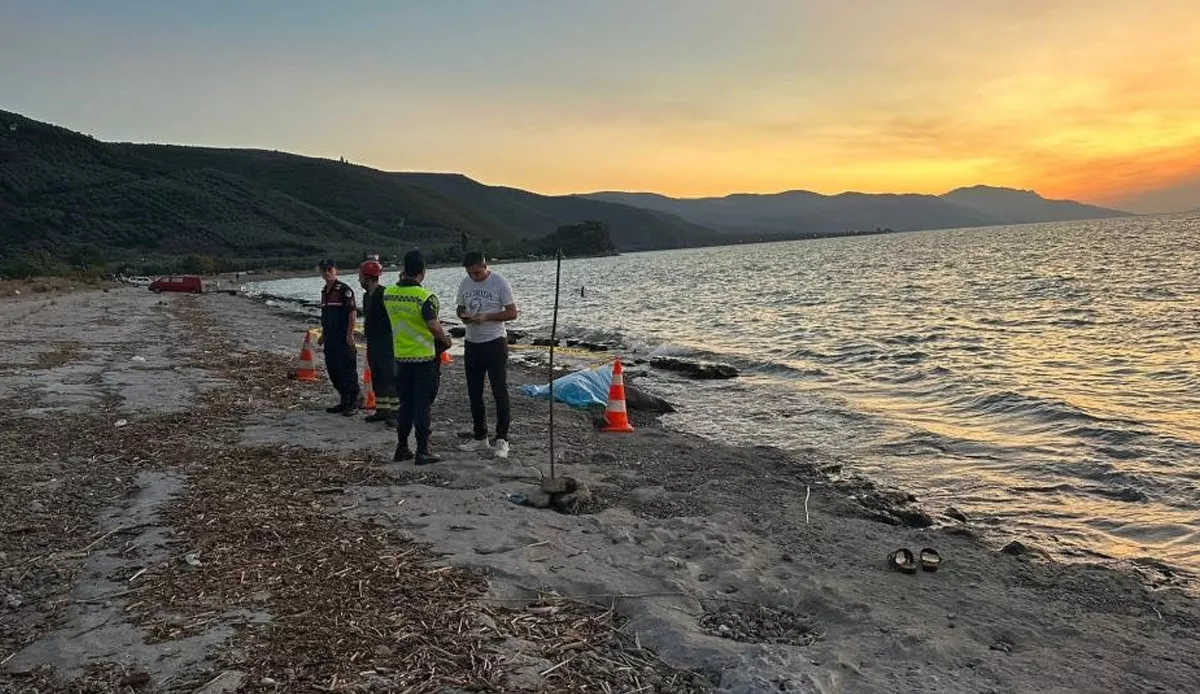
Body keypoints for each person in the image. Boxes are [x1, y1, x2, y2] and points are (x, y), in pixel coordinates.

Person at [383, 250, 452, 464]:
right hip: (424, 357)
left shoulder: (389, 294)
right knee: (423, 405)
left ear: (404, 269)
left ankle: (402, 447)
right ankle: (423, 450)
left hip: (401, 356)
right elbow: (433, 325)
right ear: (423, 272)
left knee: (406, 404)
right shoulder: (425, 297)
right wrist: (447, 340)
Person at [456, 251, 518, 459]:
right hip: (472, 342)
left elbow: (512, 312)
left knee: (499, 391)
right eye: (470, 273)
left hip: (494, 342)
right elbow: (459, 307)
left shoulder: (499, 282)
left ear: (485, 266)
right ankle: (480, 436)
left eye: (477, 272)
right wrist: (464, 317)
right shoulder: (465, 283)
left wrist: (488, 317)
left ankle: (502, 439)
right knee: (474, 393)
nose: (474, 277)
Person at [317, 258, 360, 415]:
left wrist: (350, 333)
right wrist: (323, 334)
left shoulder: (344, 290)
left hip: (343, 336)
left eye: (330, 269)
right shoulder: (324, 292)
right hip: (330, 337)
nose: (327, 273)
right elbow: (326, 315)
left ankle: (353, 402)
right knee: (333, 369)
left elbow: (352, 312)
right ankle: (344, 400)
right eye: (324, 270)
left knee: (347, 369)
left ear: (335, 270)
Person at [358, 259, 397, 425]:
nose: (359, 280)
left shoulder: (385, 295)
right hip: (373, 341)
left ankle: (396, 413)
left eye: (360, 276)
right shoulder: (367, 296)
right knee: (377, 376)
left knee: (390, 377)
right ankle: (382, 410)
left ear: (367, 277)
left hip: (386, 342)